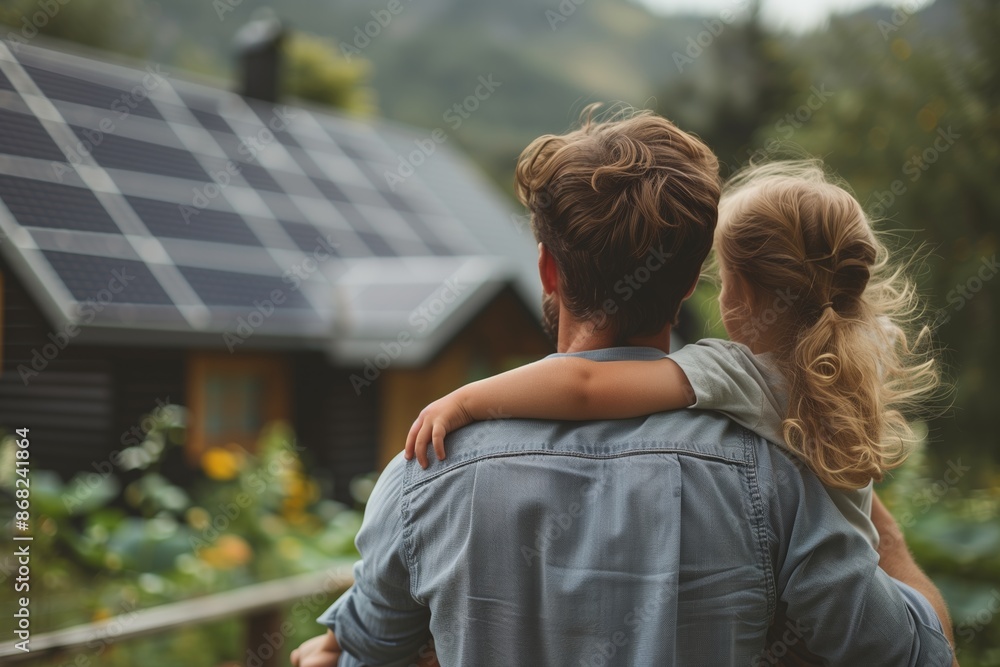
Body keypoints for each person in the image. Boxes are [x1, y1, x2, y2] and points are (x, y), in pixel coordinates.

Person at [292, 108, 955, 666]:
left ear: (549, 267)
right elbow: (915, 653)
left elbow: (365, 649)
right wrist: (884, 536)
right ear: (694, 275)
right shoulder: (787, 464)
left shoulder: (424, 472)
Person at [404, 160, 942, 556]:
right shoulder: (859, 360)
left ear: (743, 297)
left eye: (724, 278)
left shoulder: (739, 372)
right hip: (858, 598)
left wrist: (468, 400)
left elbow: (587, 386)